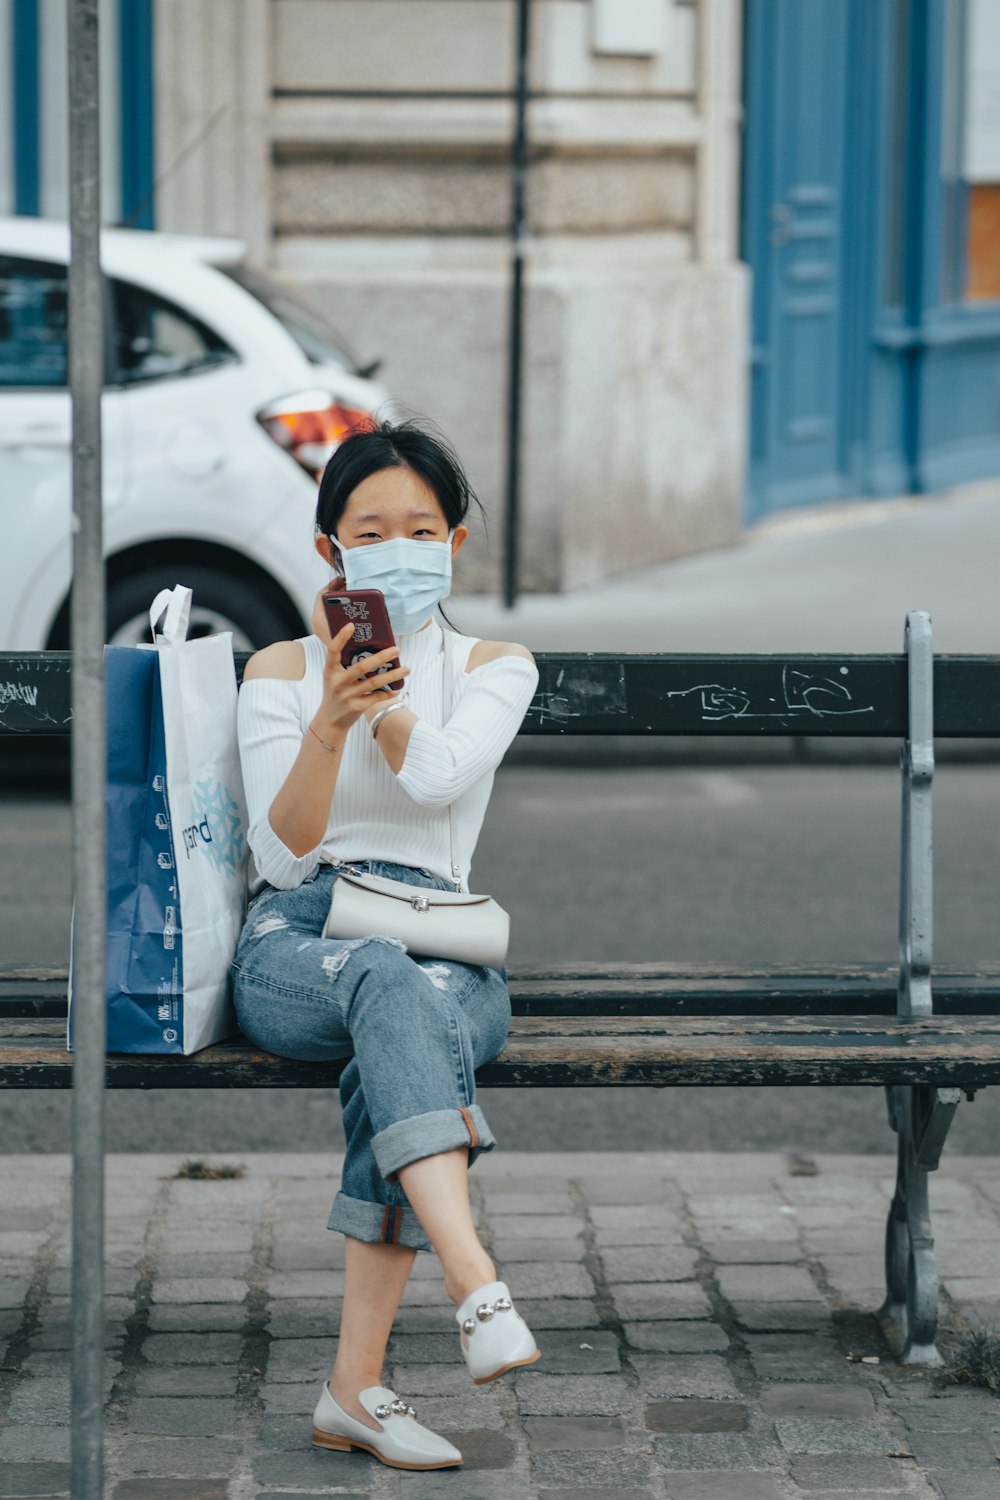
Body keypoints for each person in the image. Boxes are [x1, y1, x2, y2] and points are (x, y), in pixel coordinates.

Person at [231, 419, 541, 1472]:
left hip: (443, 938)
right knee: (377, 980)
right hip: (307, 937)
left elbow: (442, 777)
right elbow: (278, 861)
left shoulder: (499, 664)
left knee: (396, 1020)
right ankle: (472, 1277)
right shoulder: (278, 668)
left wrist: (384, 700)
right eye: (373, 530)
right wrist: (326, 718)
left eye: (422, 528)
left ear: (454, 541)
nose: (401, 547)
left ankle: (353, 1393)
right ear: (332, 554)